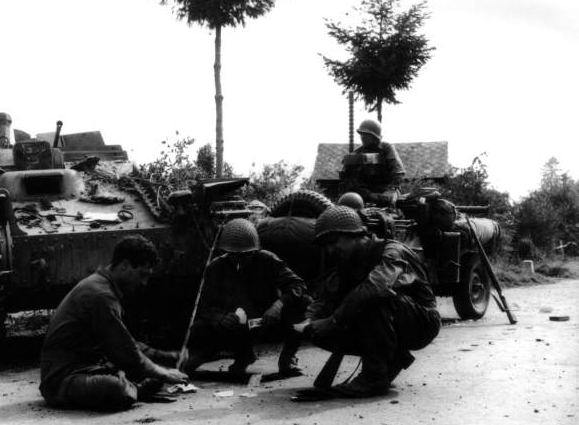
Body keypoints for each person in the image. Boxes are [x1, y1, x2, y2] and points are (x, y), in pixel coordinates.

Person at [294, 205, 440, 397]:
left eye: (333, 242)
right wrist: (308, 321)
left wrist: (333, 321)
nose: (330, 250)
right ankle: (393, 357)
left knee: (372, 298)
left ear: (355, 235)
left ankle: (374, 378)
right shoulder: (348, 262)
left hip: (422, 323)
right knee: (318, 330)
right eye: (326, 246)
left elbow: (377, 287)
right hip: (393, 321)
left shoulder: (392, 251)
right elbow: (326, 297)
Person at [39, 235, 187, 412]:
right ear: (124, 266)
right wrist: (161, 371)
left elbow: (123, 342)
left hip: (90, 367)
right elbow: (123, 349)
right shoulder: (101, 295)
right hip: (63, 379)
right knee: (116, 389)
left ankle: (133, 387)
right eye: (142, 275)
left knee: (149, 375)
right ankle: (135, 390)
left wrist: (167, 358)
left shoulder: (102, 286)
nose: (144, 283)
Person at [181, 218, 310, 377]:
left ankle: (287, 359)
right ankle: (241, 356)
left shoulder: (267, 260)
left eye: (246, 255)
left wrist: (278, 305)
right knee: (199, 328)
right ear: (227, 252)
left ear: (254, 250)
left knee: (305, 303)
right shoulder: (216, 268)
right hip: (235, 328)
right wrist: (220, 317)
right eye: (235, 255)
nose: (240, 260)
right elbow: (205, 306)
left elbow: (298, 285)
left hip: (268, 321)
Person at [340, 119, 405, 207]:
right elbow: (347, 179)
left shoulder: (386, 148)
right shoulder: (357, 153)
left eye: (366, 135)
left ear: (375, 136)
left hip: (387, 189)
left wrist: (391, 190)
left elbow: (398, 172)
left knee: (388, 201)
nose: (362, 137)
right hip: (367, 192)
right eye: (361, 134)